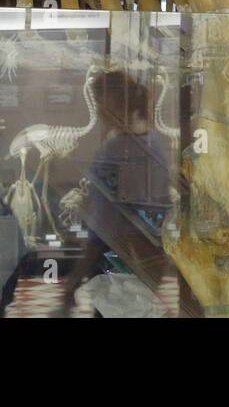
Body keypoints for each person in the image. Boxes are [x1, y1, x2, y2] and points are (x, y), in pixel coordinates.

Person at [59, 66, 176, 314]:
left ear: (115, 104)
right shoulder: (153, 143)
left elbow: (102, 228)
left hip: (120, 266)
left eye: (101, 103)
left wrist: (75, 279)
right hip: (147, 264)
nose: (99, 111)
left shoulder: (114, 152)